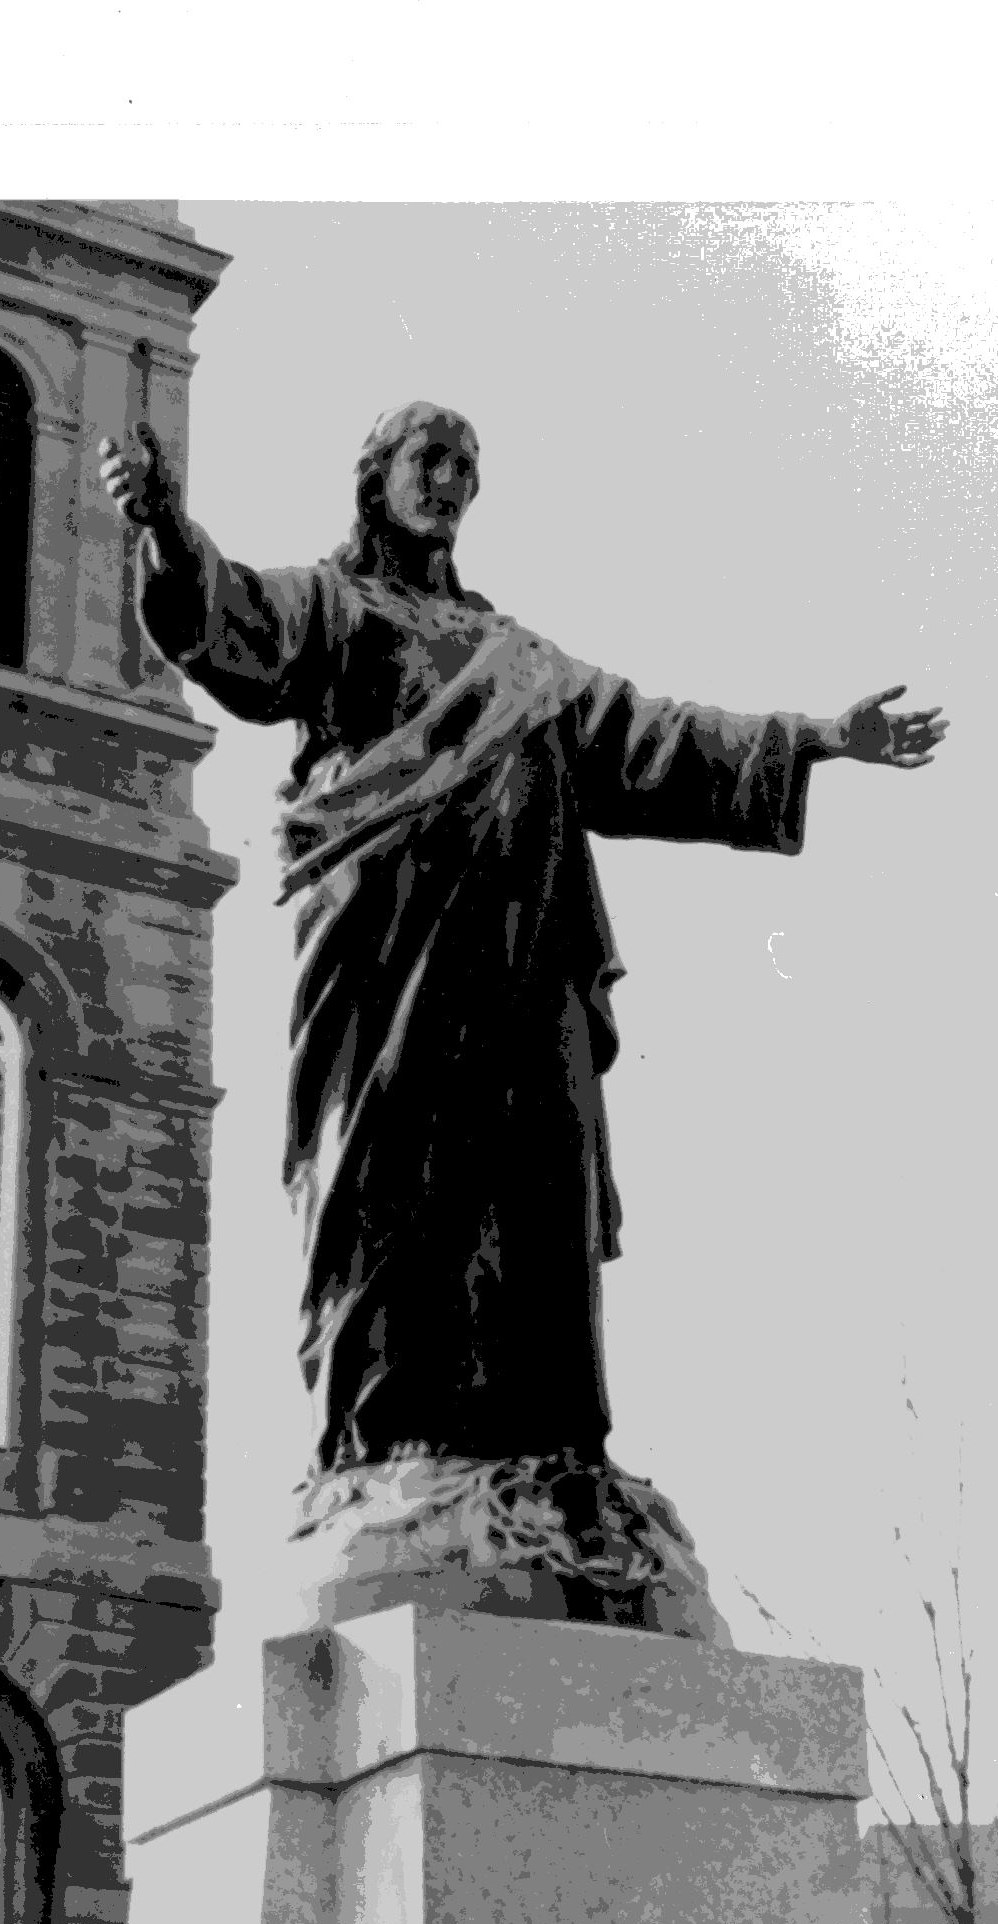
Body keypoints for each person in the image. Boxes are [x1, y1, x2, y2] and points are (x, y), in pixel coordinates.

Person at [98, 403, 946, 1632]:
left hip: (522, 968)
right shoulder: (338, 611)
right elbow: (234, 624)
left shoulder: (520, 659)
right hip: (388, 968)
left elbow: (656, 738)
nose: (444, 481)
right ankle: (393, 1456)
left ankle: (552, 1465)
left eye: (463, 467)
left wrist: (821, 736)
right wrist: (168, 530)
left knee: (535, 1195)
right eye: (423, 461)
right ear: (376, 479)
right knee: (389, 1199)